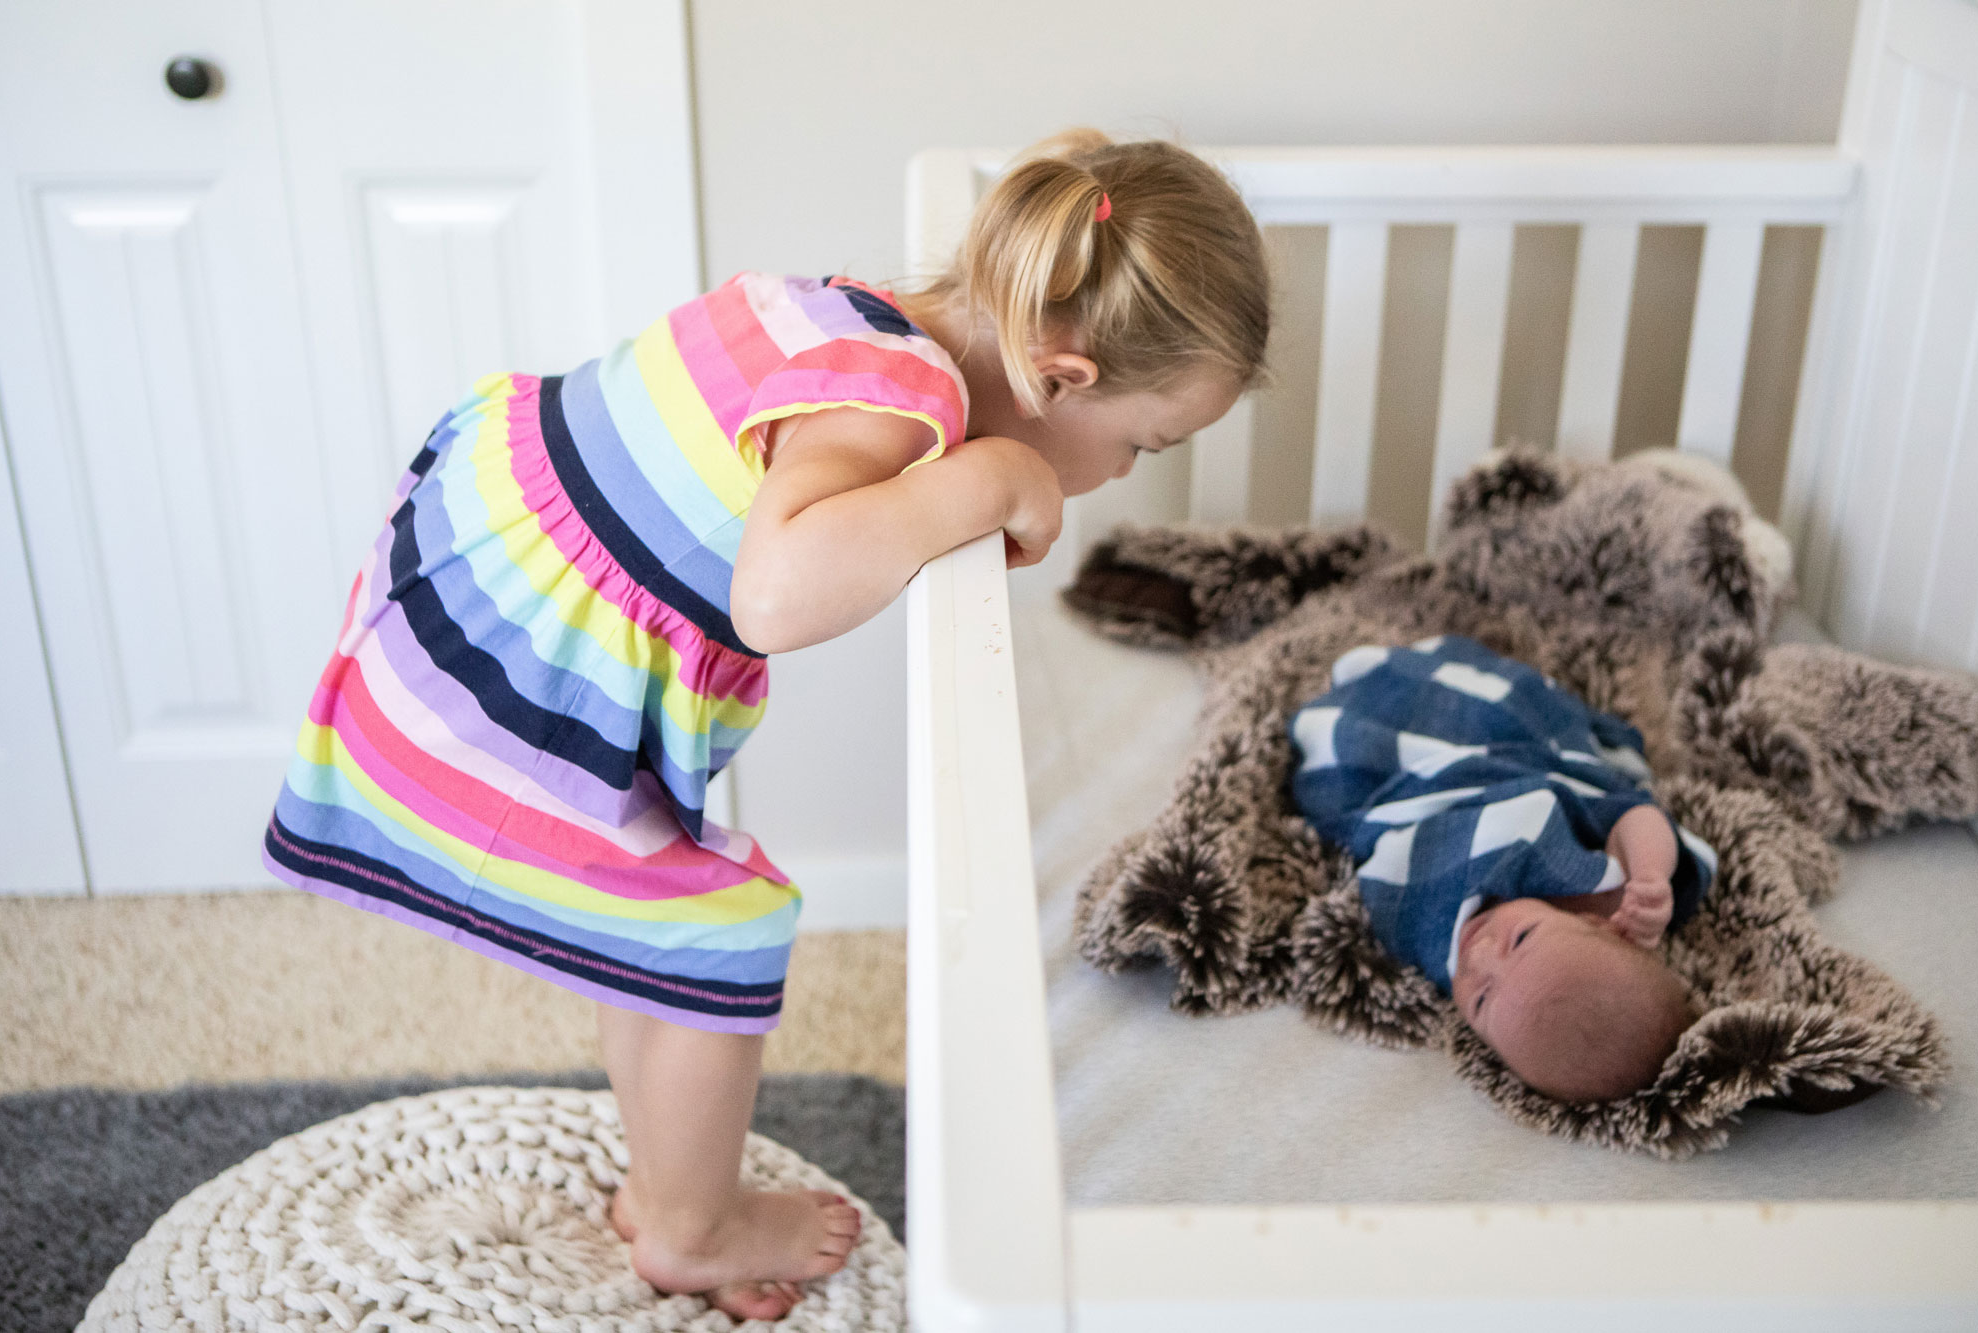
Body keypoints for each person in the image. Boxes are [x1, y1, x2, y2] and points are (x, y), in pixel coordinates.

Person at [262, 129, 1269, 1320]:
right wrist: (985, 477)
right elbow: (776, 595)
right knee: (719, 930)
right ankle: (692, 1228)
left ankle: (661, 1180)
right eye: (1142, 444)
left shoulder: (856, 314)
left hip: (497, 550)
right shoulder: (902, 402)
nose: (1128, 472)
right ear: (1060, 376)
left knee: (642, 922)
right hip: (511, 666)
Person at [1289, 635, 1716, 1104]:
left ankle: (1360, 704)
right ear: (1598, 926)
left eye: (1480, 1000)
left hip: (1425, 797)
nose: (1479, 953)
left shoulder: (1431, 943)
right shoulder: (1606, 899)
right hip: (1506, 756)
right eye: (1521, 938)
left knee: (1347, 756)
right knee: (1492, 708)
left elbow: (1388, 873)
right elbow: (1635, 814)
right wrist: (1650, 875)